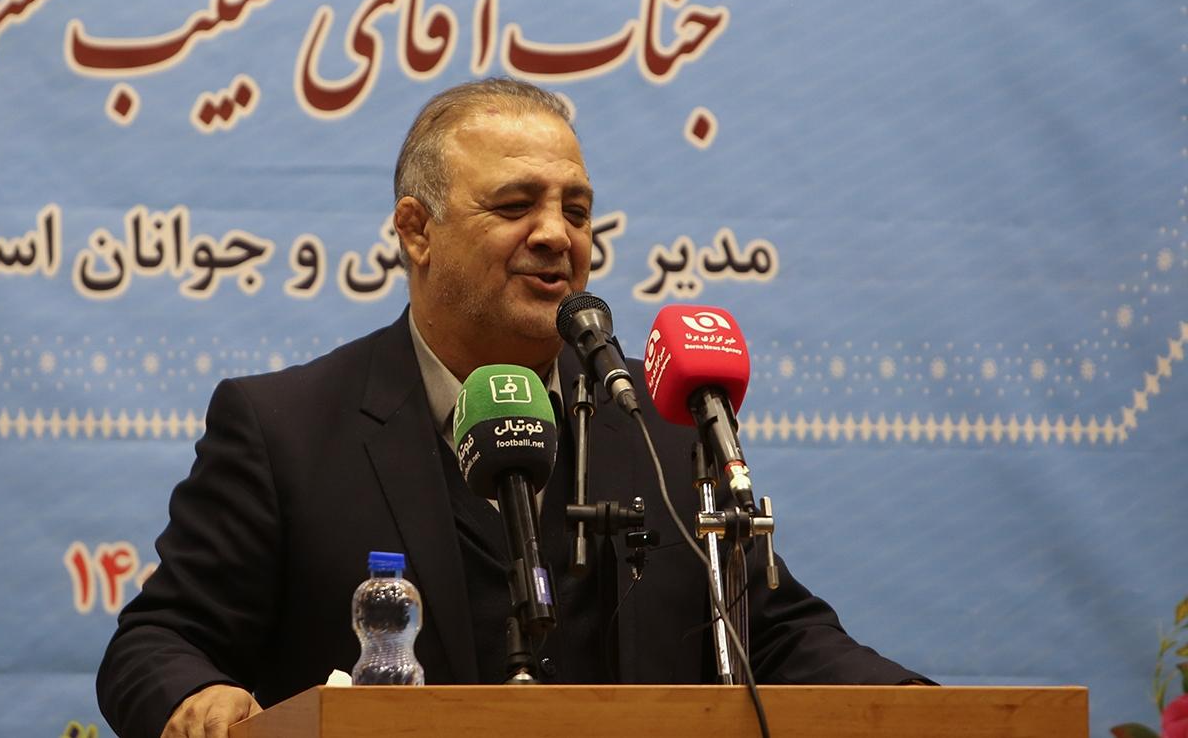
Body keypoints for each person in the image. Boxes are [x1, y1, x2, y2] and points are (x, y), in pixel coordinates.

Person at [97, 78, 928, 738]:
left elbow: (773, 637)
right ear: (416, 231)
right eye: (515, 204)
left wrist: (927, 712)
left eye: (576, 209)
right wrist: (195, 695)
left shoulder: (658, 423)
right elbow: (158, 642)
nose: (557, 234)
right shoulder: (284, 429)